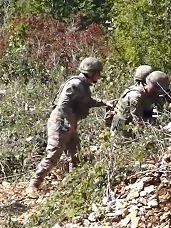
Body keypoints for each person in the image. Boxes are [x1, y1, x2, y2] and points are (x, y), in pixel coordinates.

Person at [25, 57, 113, 199]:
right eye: (98, 73)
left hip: (67, 123)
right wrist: (71, 124)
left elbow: (87, 102)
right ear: (91, 73)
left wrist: (104, 102)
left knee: (74, 154)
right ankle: (33, 184)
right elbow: (63, 105)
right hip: (60, 122)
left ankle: (72, 183)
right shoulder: (75, 84)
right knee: (54, 154)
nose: (99, 76)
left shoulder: (83, 85)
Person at [110, 70, 170, 135]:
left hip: (133, 127)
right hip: (121, 131)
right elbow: (138, 121)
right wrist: (159, 124)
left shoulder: (150, 94)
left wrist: (168, 107)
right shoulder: (136, 96)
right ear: (156, 88)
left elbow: (153, 111)